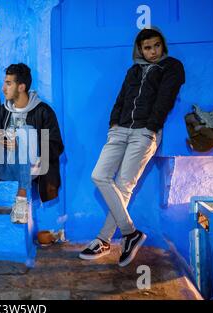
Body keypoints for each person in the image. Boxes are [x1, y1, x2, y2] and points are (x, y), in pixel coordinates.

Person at [79, 27, 185, 267]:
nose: (153, 51)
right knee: (99, 176)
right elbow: (121, 98)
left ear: (163, 45)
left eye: (156, 45)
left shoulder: (172, 67)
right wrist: (113, 123)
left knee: (124, 185)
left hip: (144, 132)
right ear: (140, 49)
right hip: (120, 130)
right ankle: (130, 233)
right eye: (147, 47)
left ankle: (103, 240)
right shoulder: (134, 70)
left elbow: (165, 99)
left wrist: (151, 127)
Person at [0, 63, 64, 230]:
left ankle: (22, 199)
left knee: (25, 132)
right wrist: (2, 140)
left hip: (31, 168)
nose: (3, 88)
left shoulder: (43, 111)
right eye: (4, 83)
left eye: (8, 83)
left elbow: (57, 146)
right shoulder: (3, 110)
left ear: (21, 87)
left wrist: (24, 142)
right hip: (5, 165)